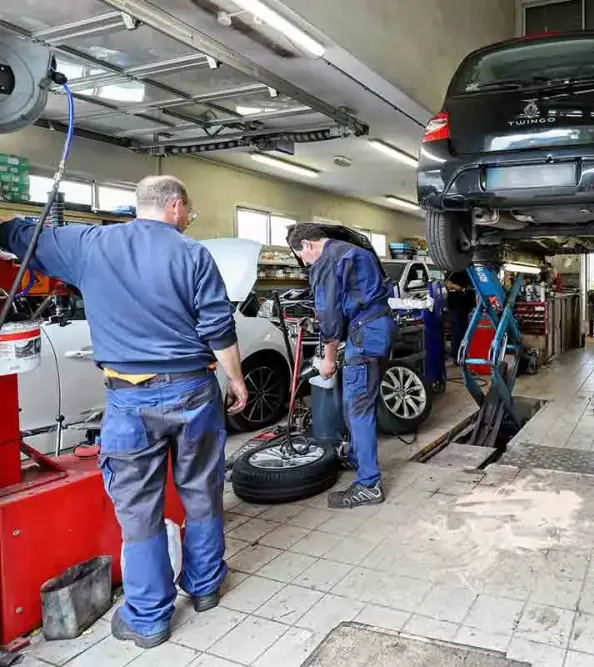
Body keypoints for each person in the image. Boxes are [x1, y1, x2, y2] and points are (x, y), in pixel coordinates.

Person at [0, 176, 248, 649]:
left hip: (129, 399)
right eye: (188, 210)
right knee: (201, 489)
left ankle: (149, 617)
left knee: (139, 509)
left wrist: (8, 230)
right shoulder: (192, 254)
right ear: (174, 206)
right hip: (193, 391)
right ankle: (205, 587)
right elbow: (219, 326)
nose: (188, 218)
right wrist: (235, 380)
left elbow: (22, 237)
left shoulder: (89, 244)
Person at [285, 223, 395, 508]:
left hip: (365, 334)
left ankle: (369, 484)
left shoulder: (326, 260)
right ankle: (359, 457)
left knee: (358, 407)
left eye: (301, 257)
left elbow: (330, 314)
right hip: (376, 327)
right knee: (356, 403)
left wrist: (328, 359)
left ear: (308, 245)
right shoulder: (353, 251)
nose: (304, 263)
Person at [445, 270, 474, 362]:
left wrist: (460, 288)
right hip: (457, 307)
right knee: (458, 332)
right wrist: (458, 288)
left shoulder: (468, 270)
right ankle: (458, 356)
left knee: (465, 332)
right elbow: (448, 285)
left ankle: (463, 355)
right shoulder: (453, 271)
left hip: (468, 306)